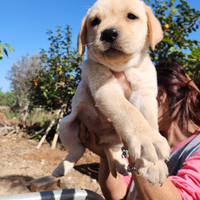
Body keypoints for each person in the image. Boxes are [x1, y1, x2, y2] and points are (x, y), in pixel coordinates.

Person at [79, 61, 200, 200]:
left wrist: (129, 128)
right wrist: (106, 153)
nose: (126, 103)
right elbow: (116, 194)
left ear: (159, 95)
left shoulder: (196, 146)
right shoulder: (150, 138)